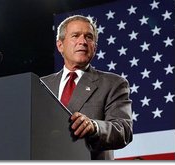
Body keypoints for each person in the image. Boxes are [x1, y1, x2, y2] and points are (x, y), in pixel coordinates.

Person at [41, 15, 133, 160]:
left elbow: (123, 130)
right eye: (75, 36)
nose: (82, 42)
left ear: (94, 47)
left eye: (89, 37)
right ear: (60, 45)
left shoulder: (113, 83)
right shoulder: (41, 85)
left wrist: (94, 127)